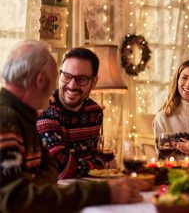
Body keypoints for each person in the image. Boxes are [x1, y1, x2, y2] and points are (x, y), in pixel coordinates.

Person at [0, 40, 142, 212]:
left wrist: (35, 189)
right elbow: (16, 200)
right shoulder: (6, 121)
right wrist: (104, 192)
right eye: (61, 78)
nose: (60, 88)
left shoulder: (24, 117)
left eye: (81, 79)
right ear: (41, 80)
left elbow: (49, 166)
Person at [37, 47, 105, 179]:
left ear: (94, 82)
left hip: (90, 190)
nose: (72, 85)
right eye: (66, 76)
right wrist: (100, 165)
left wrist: (97, 163)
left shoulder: (95, 111)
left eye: (81, 79)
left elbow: (96, 155)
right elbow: (61, 170)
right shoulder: (45, 109)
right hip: (56, 194)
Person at [153, 60, 189, 158]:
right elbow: (162, 159)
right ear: (177, 80)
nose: (188, 84)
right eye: (184, 78)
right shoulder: (162, 117)